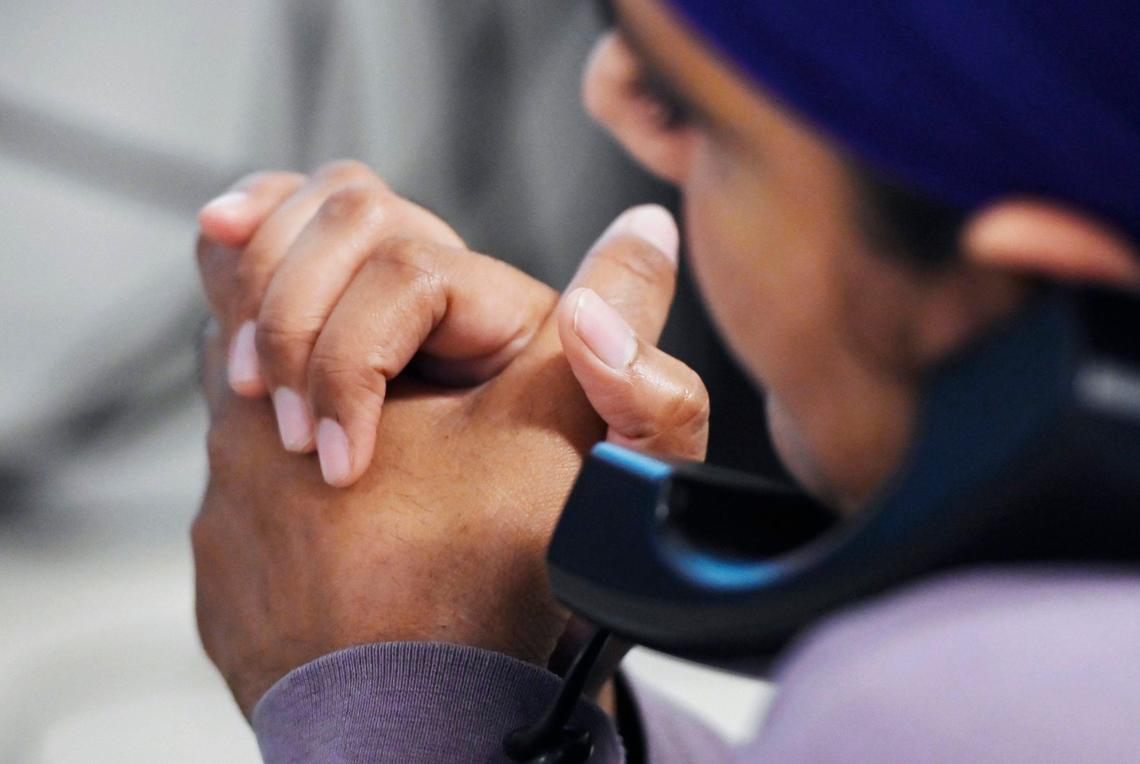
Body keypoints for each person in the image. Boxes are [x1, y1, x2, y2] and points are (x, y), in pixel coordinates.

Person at [192, 0, 1140, 761]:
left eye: (689, 111)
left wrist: (395, 703)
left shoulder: (937, 704)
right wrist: (539, 699)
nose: (607, 93)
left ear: (1007, 282)